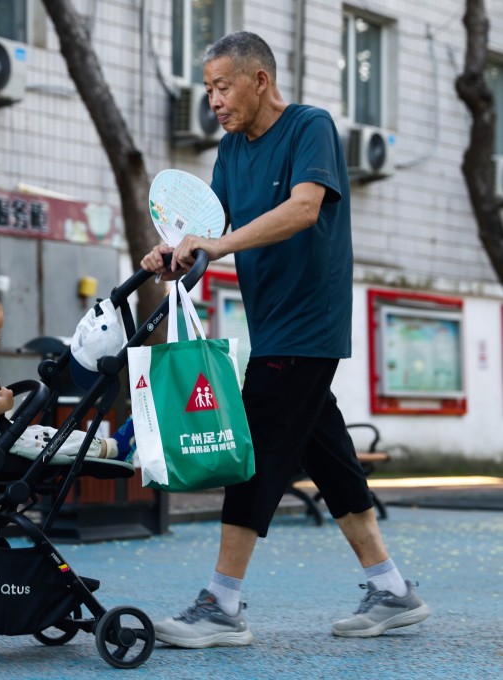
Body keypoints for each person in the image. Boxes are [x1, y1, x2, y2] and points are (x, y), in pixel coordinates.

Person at [141, 31, 429, 648]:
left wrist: (214, 243)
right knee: (326, 454)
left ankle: (221, 604)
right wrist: (175, 252)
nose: (213, 99)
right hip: (272, 325)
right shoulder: (229, 151)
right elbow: (207, 231)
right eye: (208, 87)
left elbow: (303, 209)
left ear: (259, 81)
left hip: (308, 321)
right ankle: (392, 588)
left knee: (258, 451)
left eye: (222, 85)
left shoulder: (309, 127)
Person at [0, 284, 135, 461]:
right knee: (62, 440)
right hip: (2, 444)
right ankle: (114, 449)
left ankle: (109, 446)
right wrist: (6, 403)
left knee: (44, 433)